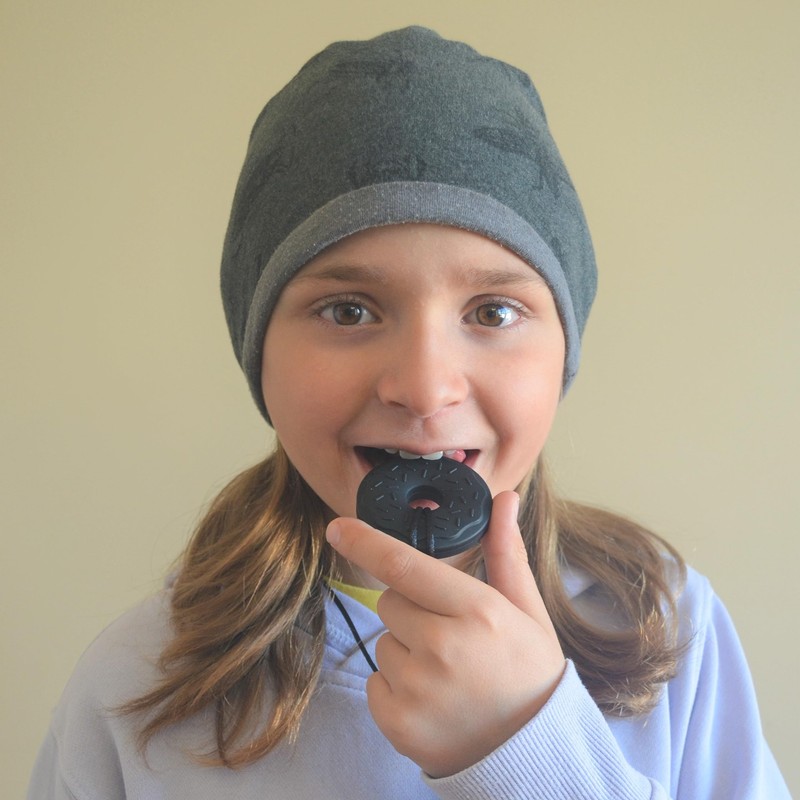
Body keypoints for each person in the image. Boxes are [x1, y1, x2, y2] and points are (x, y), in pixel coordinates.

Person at [27, 26, 789, 799]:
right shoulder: (137, 687)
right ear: (259, 355)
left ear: (564, 349)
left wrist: (532, 755)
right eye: (349, 311)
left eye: (493, 312)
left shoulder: (663, 625)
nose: (425, 390)